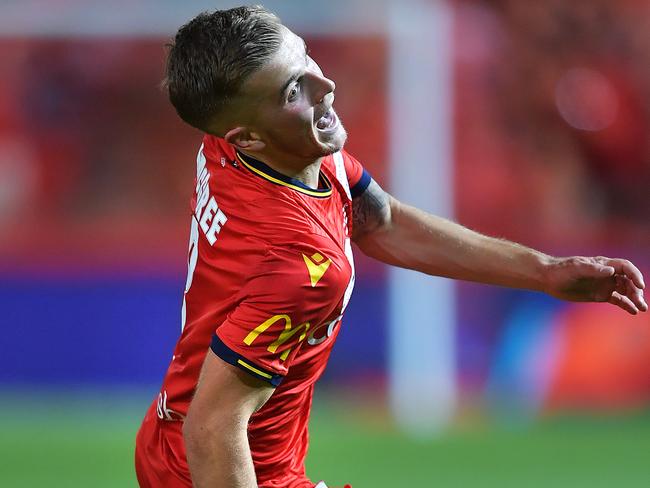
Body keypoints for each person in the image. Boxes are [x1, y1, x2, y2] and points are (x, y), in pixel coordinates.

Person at [134, 6, 647, 488]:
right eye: (295, 89)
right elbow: (213, 427)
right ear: (247, 136)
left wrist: (544, 271)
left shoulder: (259, 144)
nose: (325, 85)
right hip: (225, 466)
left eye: (306, 55)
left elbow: (382, 221)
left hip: (171, 436)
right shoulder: (302, 267)